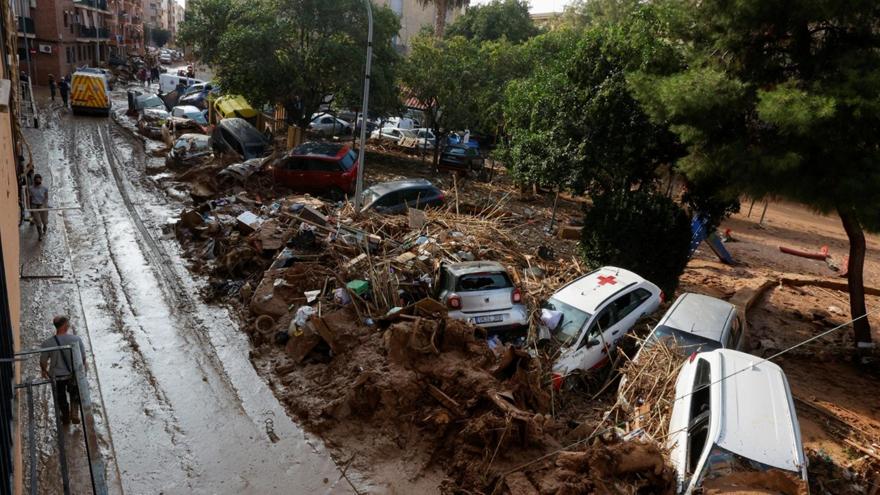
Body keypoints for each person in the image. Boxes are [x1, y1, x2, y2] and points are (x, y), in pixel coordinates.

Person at [40, 316, 88, 425]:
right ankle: (75, 413)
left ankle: (65, 416)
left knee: (60, 397)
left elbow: (43, 361)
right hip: (73, 374)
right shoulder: (76, 339)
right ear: (65, 326)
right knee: (74, 393)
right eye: (68, 323)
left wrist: (44, 371)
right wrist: (83, 370)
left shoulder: (47, 343)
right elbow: (83, 357)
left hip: (57, 376)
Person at [28, 174, 49, 240]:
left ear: (41, 180)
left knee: (44, 220)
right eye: (36, 180)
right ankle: (40, 235)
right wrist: (29, 208)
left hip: (42, 205)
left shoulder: (45, 188)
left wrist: (44, 205)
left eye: (39, 180)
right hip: (34, 205)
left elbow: (46, 198)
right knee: (37, 221)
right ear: (34, 181)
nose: (38, 181)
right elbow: (29, 198)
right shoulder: (31, 188)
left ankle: (45, 227)